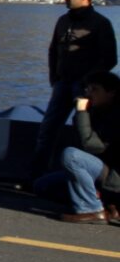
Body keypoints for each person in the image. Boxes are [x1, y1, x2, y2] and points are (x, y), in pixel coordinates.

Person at [30, 0, 117, 178]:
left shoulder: (100, 24)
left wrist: (89, 83)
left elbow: (110, 58)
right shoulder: (63, 21)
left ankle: (82, 180)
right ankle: (36, 177)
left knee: (83, 133)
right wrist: (54, 78)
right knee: (47, 130)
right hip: (62, 84)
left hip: (85, 88)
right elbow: (53, 51)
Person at [33, 70, 120, 223]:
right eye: (87, 89)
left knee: (71, 156)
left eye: (95, 89)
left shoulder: (116, 115)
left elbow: (93, 147)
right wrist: (83, 114)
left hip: (114, 176)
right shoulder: (95, 111)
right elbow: (80, 142)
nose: (89, 93)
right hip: (99, 170)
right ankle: (107, 205)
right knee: (42, 185)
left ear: (111, 93)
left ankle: (93, 209)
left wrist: (81, 112)